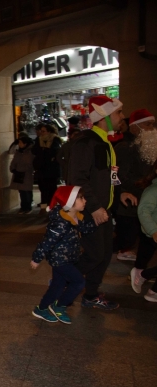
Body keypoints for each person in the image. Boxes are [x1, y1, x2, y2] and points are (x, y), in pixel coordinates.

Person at [69, 95, 124, 310]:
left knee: (103, 256)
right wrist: (95, 206)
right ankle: (62, 278)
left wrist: (121, 192)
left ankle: (91, 295)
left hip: (104, 210)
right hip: (91, 210)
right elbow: (78, 179)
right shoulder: (86, 142)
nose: (121, 117)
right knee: (94, 255)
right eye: (118, 112)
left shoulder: (104, 142)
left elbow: (107, 177)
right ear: (105, 117)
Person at [30, 186, 95, 323]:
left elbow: (85, 228)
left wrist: (94, 222)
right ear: (70, 202)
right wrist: (36, 258)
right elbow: (47, 241)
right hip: (60, 260)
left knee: (57, 286)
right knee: (79, 282)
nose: (85, 201)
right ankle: (60, 306)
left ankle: (41, 309)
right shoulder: (60, 223)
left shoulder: (75, 217)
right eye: (81, 198)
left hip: (68, 258)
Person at [115, 109, 155, 261]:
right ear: (134, 127)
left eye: (152, 124)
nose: (151, 128)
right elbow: (119, 175)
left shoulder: (148, 145)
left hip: (145, 197)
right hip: (131, 198)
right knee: (128, 234)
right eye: (147, 124)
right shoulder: (125, 147)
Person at [132, 159, 157, 302]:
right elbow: (143, 211)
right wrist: (154, 230)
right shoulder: (153, 190)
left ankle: (144, 275)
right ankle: (152, 290)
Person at [32, 124, 62, 215]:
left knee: (51, 188)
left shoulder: (55, 139)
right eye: (41, 131)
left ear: (49, 132)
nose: (41, 133)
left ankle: (52, 206)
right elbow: (34, 151)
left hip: (51, 169)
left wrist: (45, 150)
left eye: (43, 131)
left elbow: (54, 152)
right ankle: (43, 207)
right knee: (42, 188)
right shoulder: (38, 140)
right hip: (41, 168)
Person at [10, 136, 36, 214]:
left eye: (21, 142)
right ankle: (23, 207)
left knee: (26, 191)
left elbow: (29, 164)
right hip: (18, 174)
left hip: (26, 174)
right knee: (21, 191)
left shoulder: (30, 152)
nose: (19, 144)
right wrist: (13, 169)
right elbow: (13, 160)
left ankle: (27, 207)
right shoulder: (18, 152)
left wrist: (20, 169)